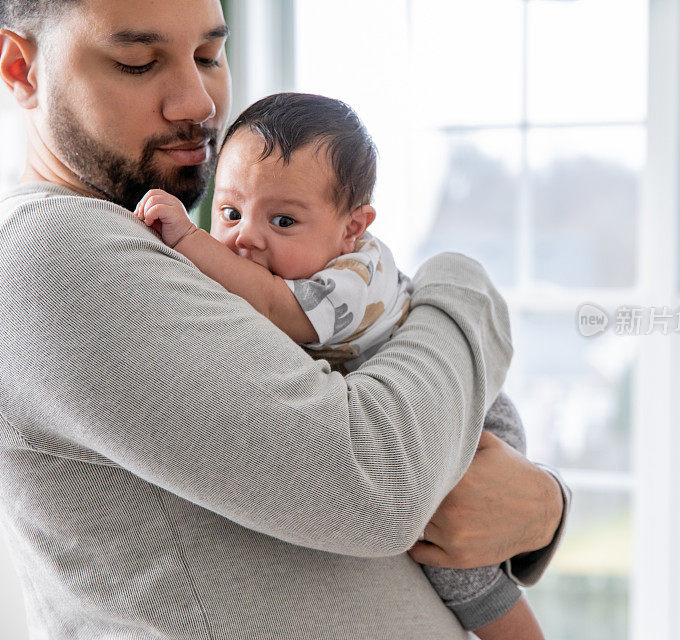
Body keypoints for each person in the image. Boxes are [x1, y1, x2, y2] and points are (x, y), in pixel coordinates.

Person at [0, 1, 570, 638]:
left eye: (211, 56)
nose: (199, 103)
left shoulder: (161, 249)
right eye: (138, 63)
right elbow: (383, 485)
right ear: (21, 68)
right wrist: (463, 287)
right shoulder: (52, 252)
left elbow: (440, 486)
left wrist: (541, 504)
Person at [133, 91, 547, 638]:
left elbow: (281, 313)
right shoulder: (260, 264)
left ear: (353, 226)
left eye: (282, 220)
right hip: (422, 412)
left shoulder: (354, 275)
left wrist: (186, 238)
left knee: (453, 566)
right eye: (230, 212)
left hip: (469, 416)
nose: (245, 238)